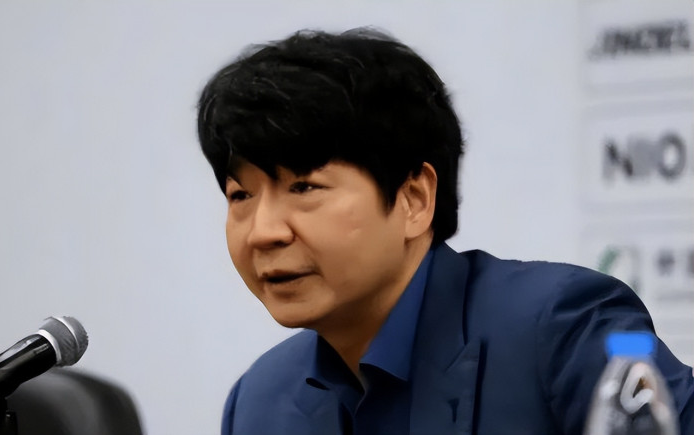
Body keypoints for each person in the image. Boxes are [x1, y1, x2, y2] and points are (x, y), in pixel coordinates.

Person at [196, 28, 694, 435]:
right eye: (240, 196)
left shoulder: (561, 329)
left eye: (304, 187)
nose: (262, 232)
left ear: (414, 200)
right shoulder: (259, 402)